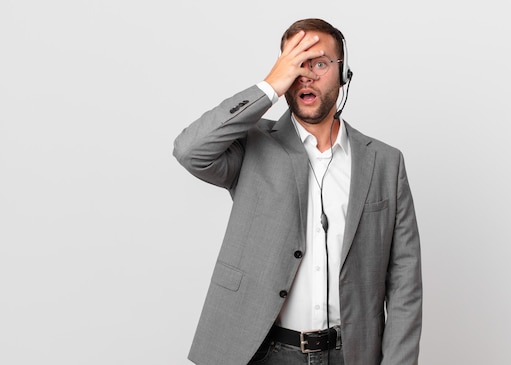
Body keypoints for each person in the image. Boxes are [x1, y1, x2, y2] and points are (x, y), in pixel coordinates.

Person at [173, 18, 422, 365]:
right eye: (296, 64)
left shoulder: (385, 162)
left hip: (351, 354)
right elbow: (189, 150)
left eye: (319, 63)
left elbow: (405, 282)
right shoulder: (252, 145)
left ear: (344, 73)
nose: (306, 75)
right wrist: (270, 86)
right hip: (263, 353)